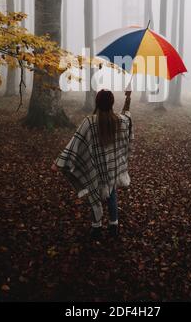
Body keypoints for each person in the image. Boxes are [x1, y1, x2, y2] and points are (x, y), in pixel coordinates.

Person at [51, 90, 133, 240]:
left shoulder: (89, 122)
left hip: (95, 167)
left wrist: (60, 162)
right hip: (111, 168)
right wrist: (128, 98)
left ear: (97, 102)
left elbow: (75, 142)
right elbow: (127, 118)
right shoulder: (119, 121)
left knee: (94, 194)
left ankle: (96, 227)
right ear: (112, 103)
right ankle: (113, 225)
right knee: (112, 194)